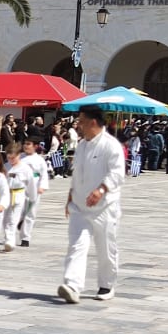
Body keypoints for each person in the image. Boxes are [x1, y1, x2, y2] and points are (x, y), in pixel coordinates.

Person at [57, 105, 125, 304]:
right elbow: (77, 174)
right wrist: (71, 195)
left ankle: (106, 284)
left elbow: (117, 174)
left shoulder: (111, 145)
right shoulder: (81, 145)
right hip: (79, 206)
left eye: (81, 121)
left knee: (106, 247)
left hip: (104, 207)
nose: (78, 125)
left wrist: (101, 189)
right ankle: (72, 285)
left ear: (93, 122)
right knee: (77, 245)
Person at [2, 143, 35, 251]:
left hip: (18, 195)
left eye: (13, 158)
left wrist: (32, 197)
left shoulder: (25, 168)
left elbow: (31, 184)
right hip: (6, 195)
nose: (11, 160)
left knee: (13, 219)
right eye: (9, 157)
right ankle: (7, 237)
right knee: (5, 220)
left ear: (18, 155)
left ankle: (10, 241)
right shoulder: (5, 167)